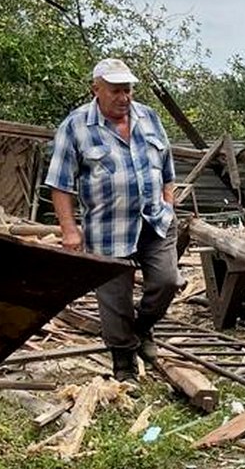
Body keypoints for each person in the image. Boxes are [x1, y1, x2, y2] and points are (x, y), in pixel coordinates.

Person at [46, 57, 181, 384]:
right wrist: (69, 231)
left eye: (128, 90)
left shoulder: (148, 117)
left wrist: (168, 204)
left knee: (168, 281)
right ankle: (124, 366)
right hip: (108, 229)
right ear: (96, 89)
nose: (124, 97)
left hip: (154, 221)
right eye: (116, 90)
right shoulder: (76, 126)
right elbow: (60, 184)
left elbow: (167, 170)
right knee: (115, 300)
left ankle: (142, 328)